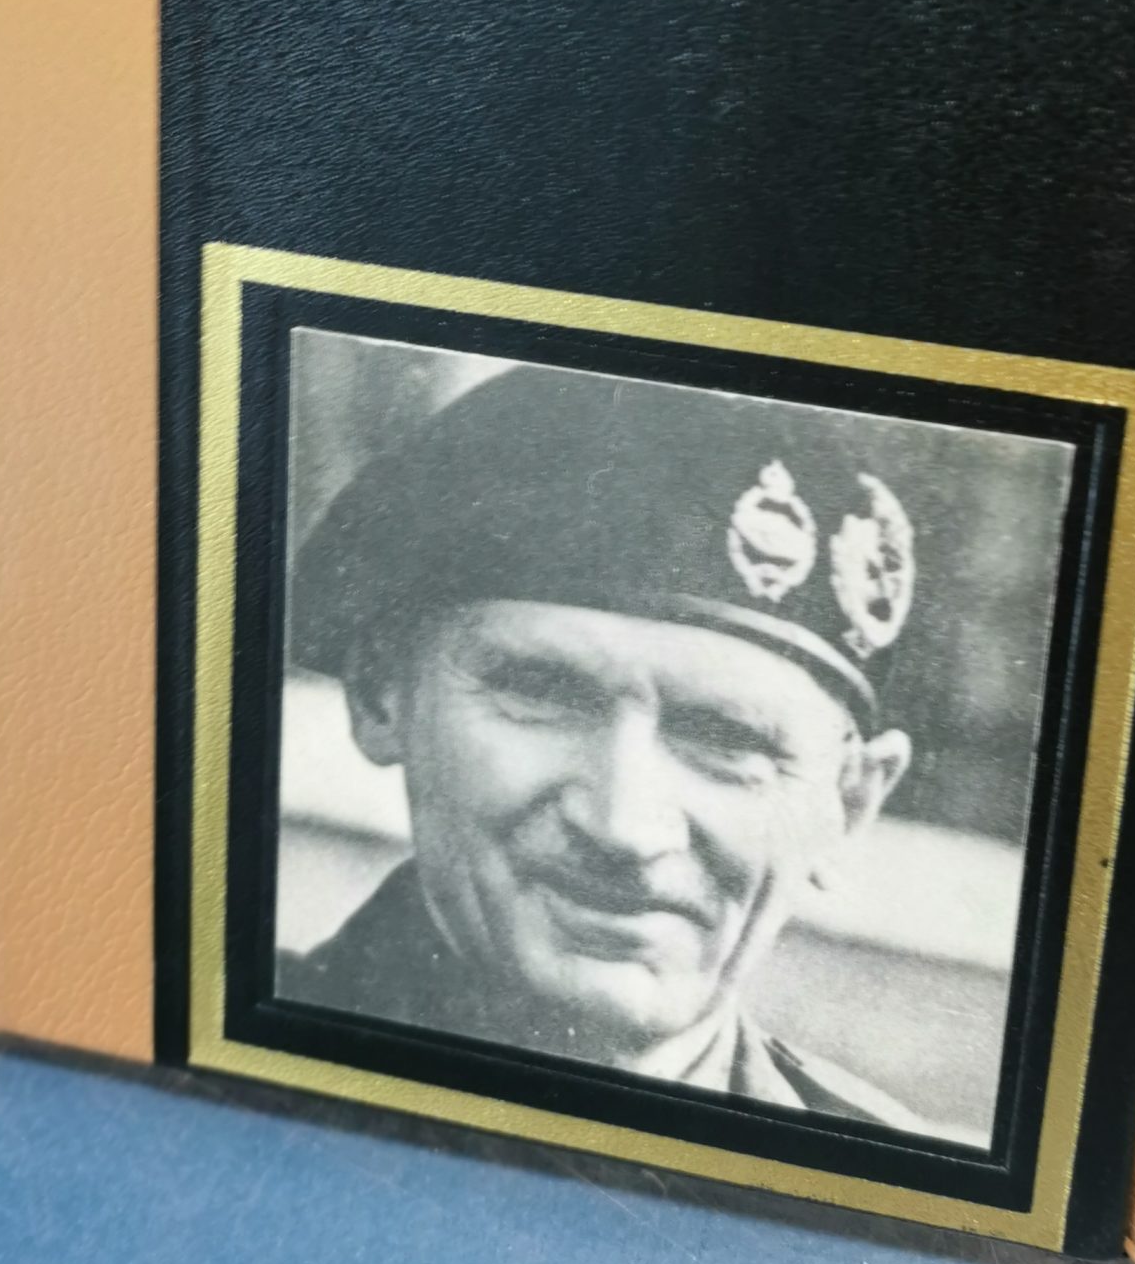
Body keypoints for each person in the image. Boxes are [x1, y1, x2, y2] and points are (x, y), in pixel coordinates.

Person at [282, 363, 938, 1131]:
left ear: (849, 803)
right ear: (379, 696)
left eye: (728, 738)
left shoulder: (899, 1180)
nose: (622, 826)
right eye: (543, 693)